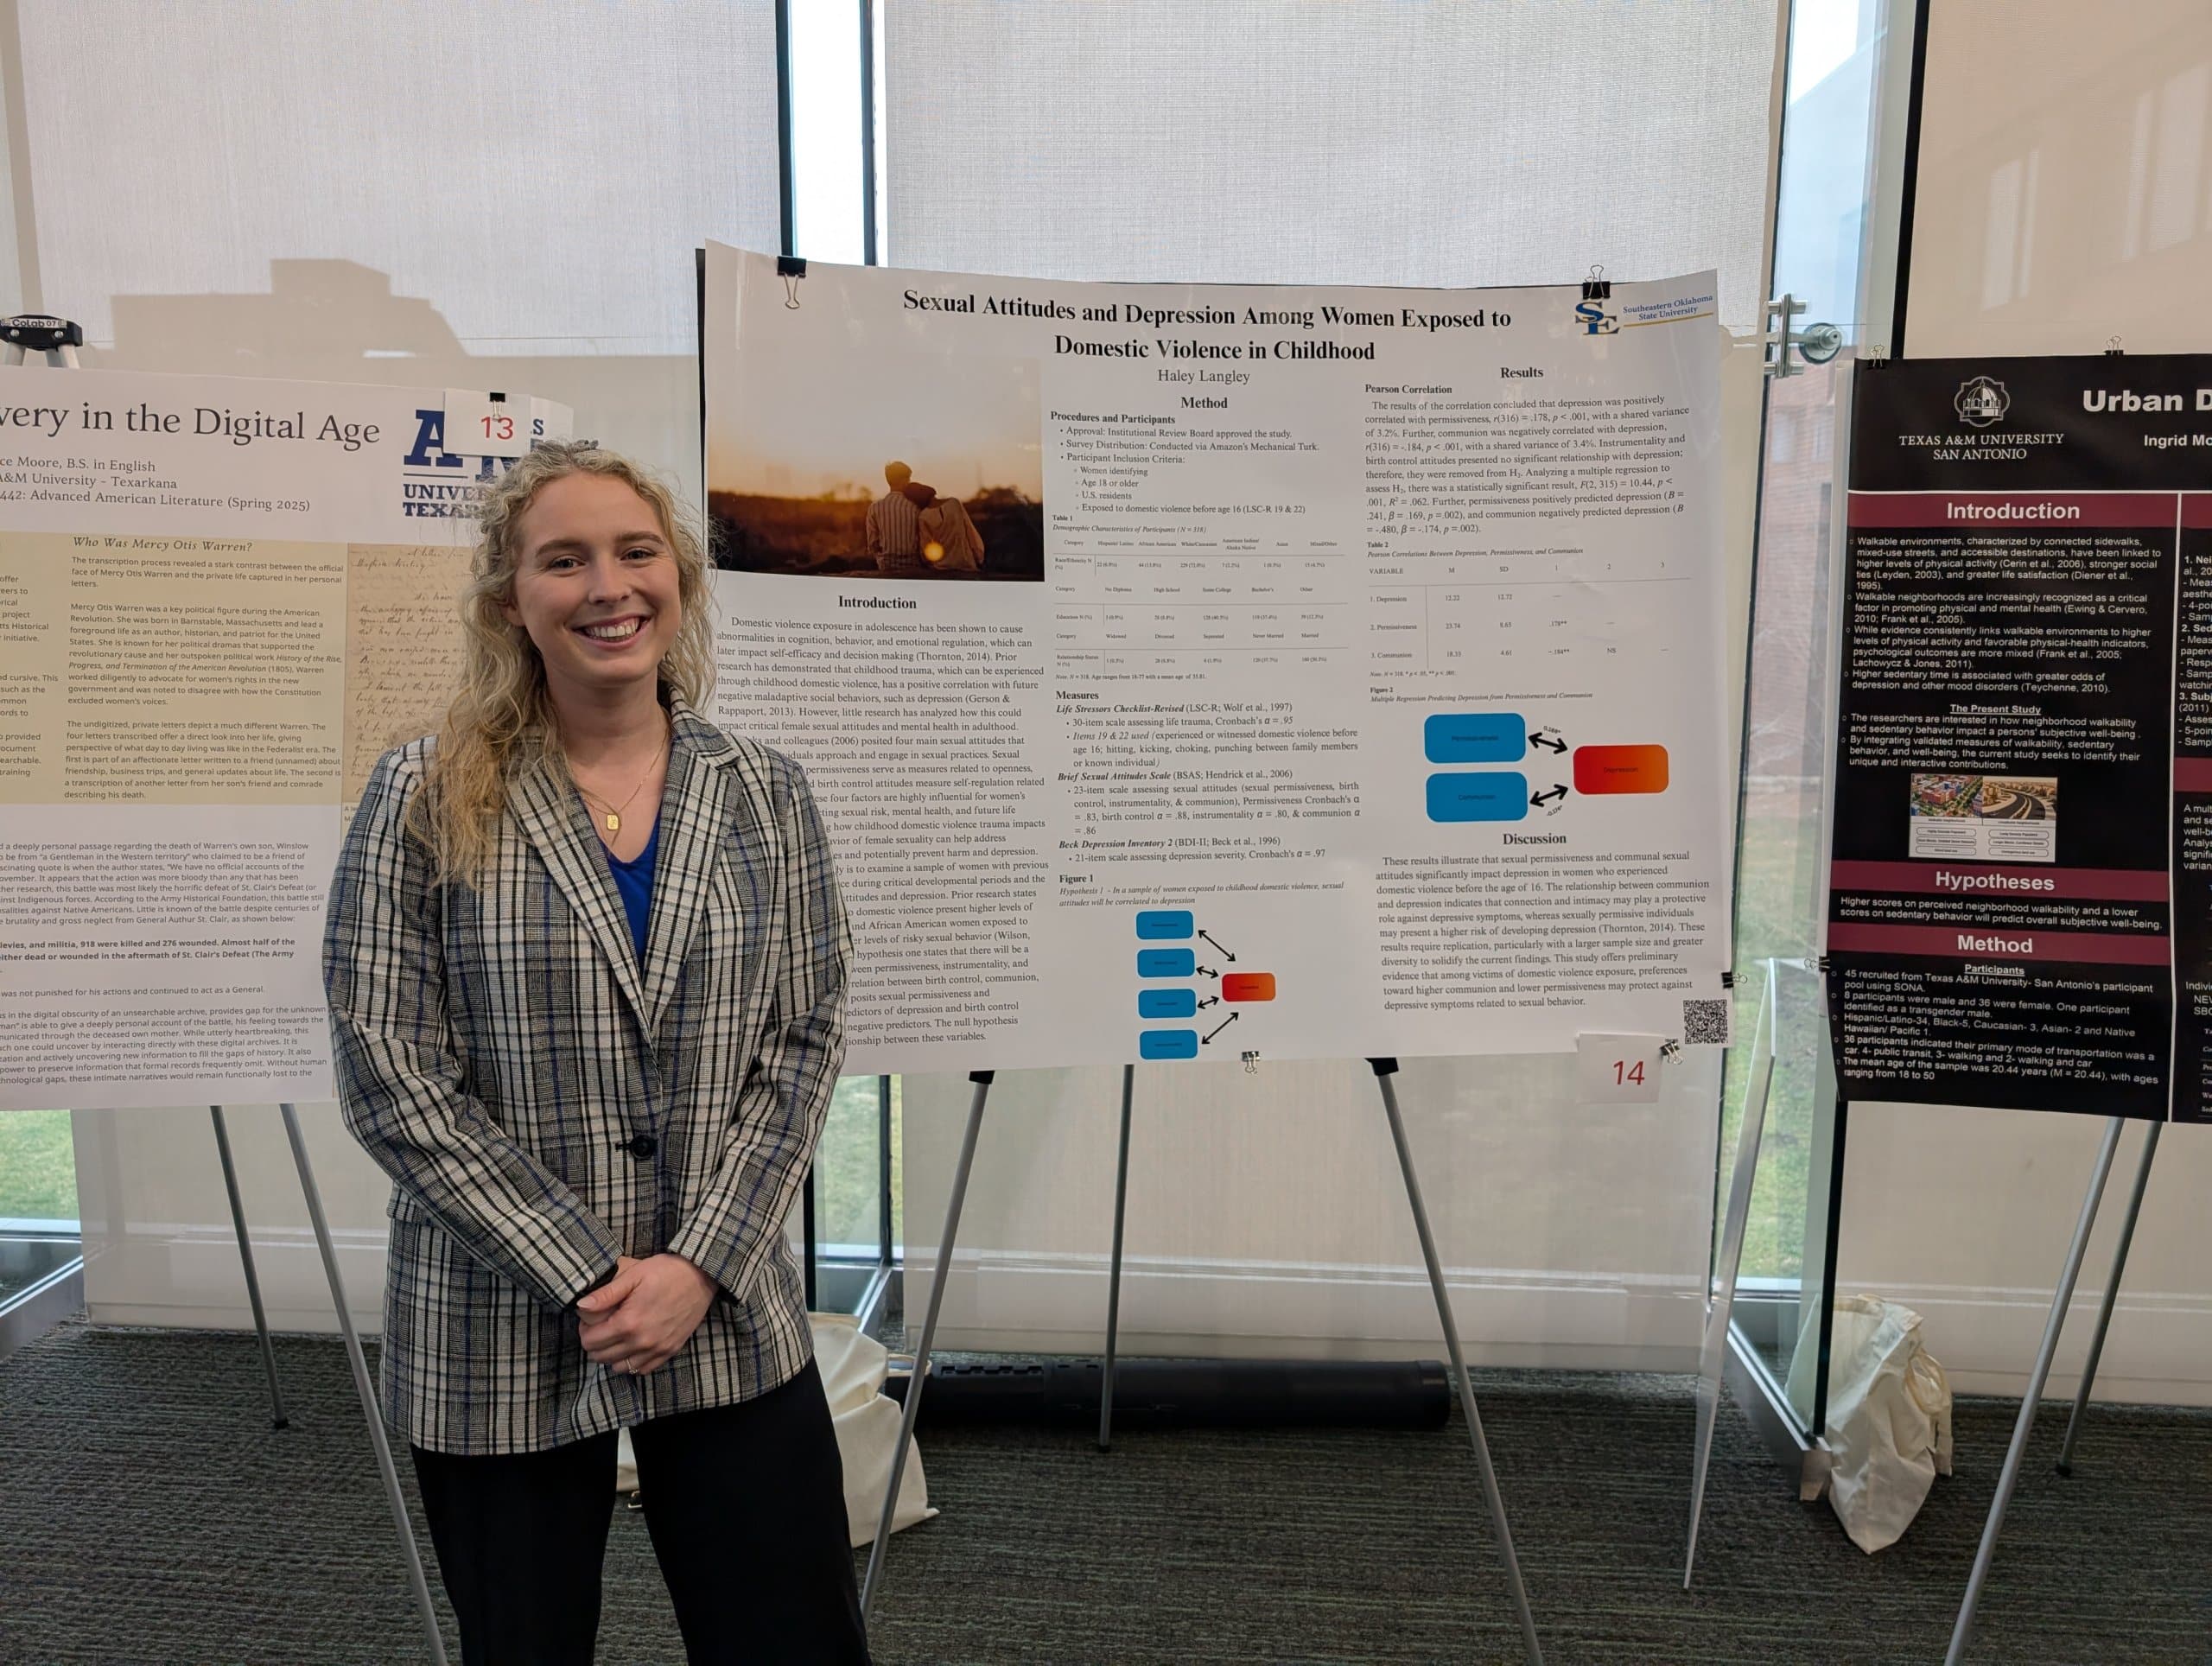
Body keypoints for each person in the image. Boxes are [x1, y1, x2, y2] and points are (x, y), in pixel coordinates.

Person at [324, 441, 868, 1666]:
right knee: (524, 1647)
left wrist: (696, 1268)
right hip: (500, 1315)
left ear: (678, 576)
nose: (607, 586)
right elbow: (389, 1070)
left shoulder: (765, 793)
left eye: (635, 552)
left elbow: (806, 1037)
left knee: (791, 1642)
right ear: (510, 600)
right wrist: (588, 1274)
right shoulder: (423, 791)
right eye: (562, 560)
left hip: (726, 1311)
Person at [900, 480, 986, 575]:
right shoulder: (954, 503)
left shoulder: (924, 516)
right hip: (966, 564)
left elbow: (926, 549)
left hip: (942, 567)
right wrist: (978, 558)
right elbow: (970, 532)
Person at [863, 460, 924, 575]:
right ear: (904, 481)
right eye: (909, 479)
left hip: (886, 566)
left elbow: (873, 545)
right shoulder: (916, 506)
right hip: (913, 566)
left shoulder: (874, 507)